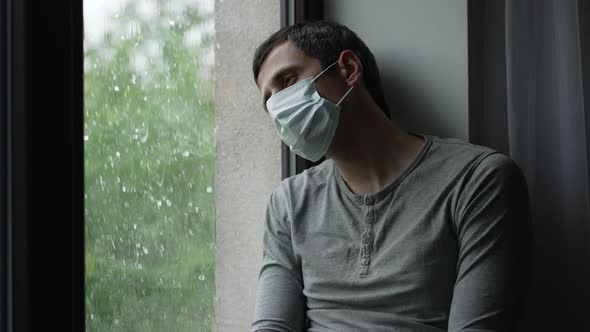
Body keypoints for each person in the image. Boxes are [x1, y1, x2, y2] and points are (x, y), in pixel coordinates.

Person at [251, 21, 531, 332]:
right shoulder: (288, 202)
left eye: (287, 81)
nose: (279, 109)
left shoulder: (478, 180)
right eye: (269, 102)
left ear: (348, 69)